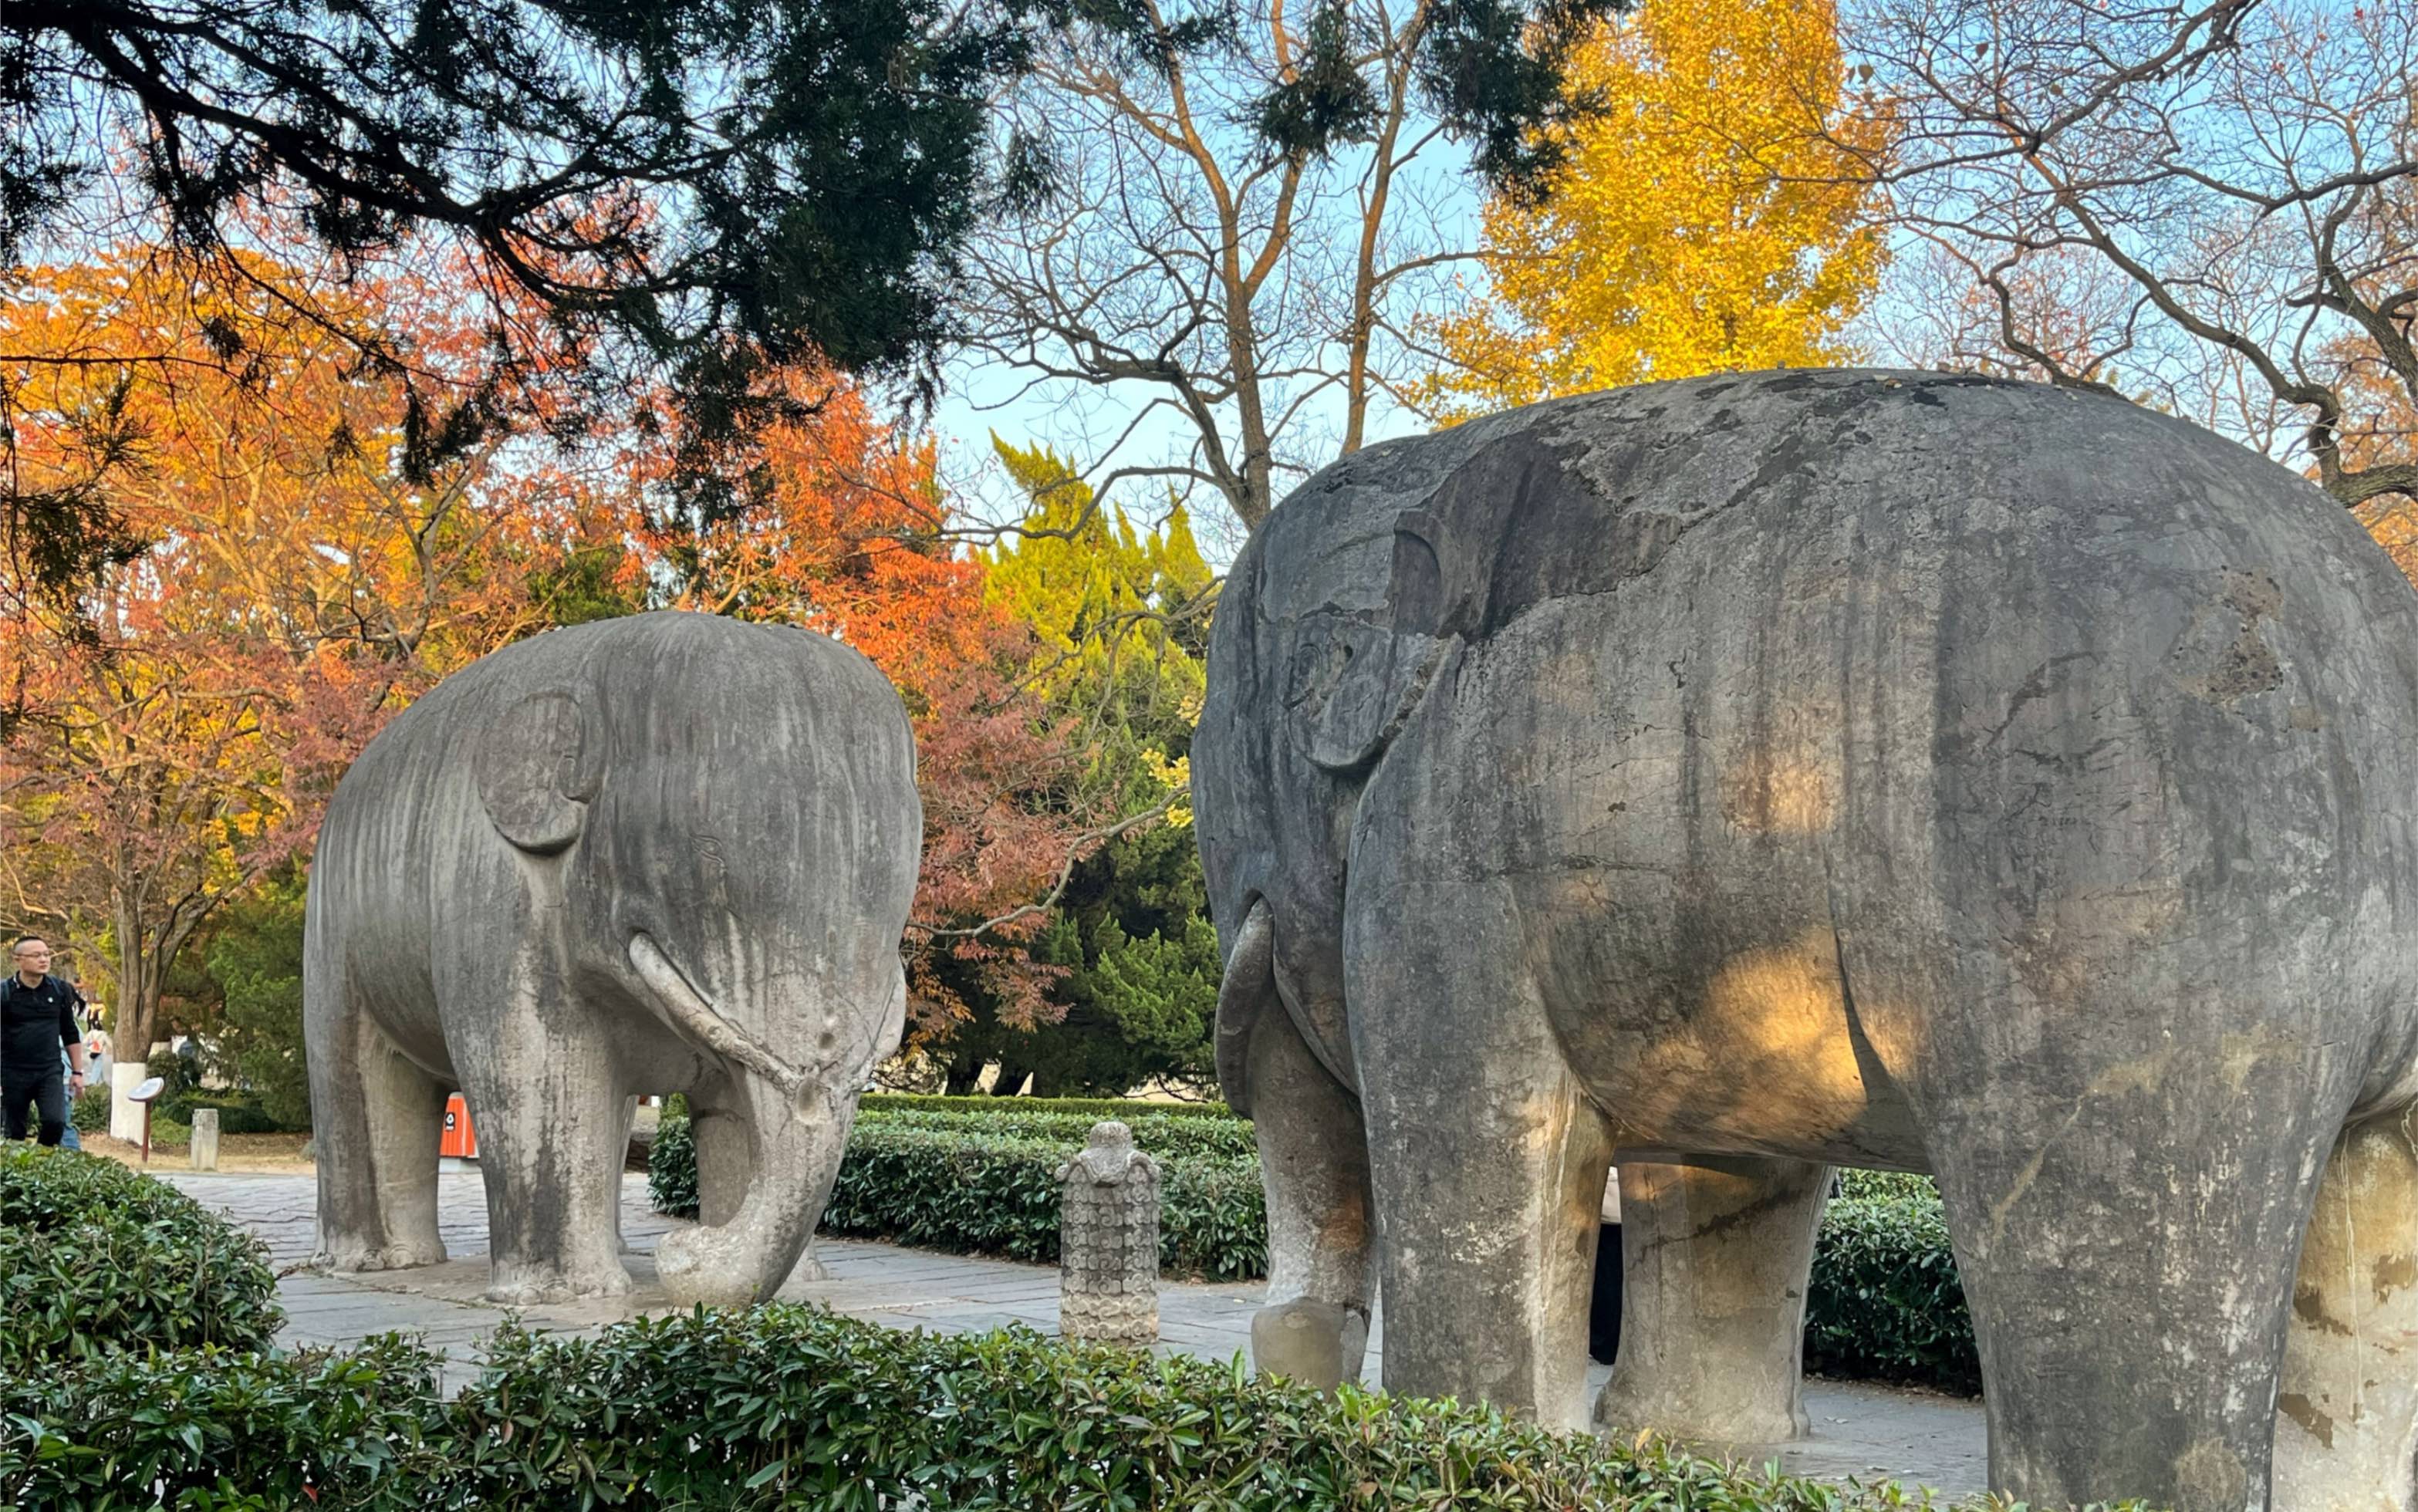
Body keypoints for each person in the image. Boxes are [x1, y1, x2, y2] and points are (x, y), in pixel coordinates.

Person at [3, 936, 88, 1146]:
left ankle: (42, 1159)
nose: (44, 959)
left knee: (55, 1122)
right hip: (13, 1070)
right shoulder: (5, 992)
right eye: (36, 955)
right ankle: (19, 1172)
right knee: (15, 1132)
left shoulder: (58, 989)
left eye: (46, 954)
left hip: (49, 1070)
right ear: (18, 959)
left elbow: (70, 1033)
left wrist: (77, 1072)